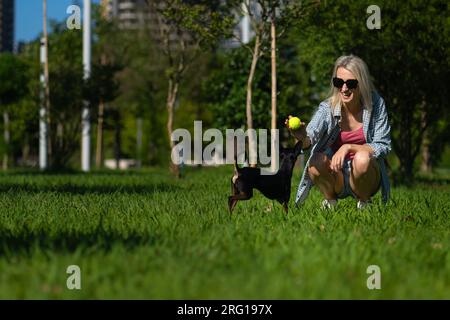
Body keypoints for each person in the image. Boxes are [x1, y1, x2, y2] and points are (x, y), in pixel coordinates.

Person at [285, 55, 391, 209]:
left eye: (351, 83)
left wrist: (348, 147)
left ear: (362, 83)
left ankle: (364, 202)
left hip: (366, 176)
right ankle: (330, 201)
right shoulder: (327, 108)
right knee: (314, 161)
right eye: (339, 82)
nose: (344, 89)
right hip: (336, 176)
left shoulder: (376, 104)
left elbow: (383, 145)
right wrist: (301, 136)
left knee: (362, 158)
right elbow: (310, 136)